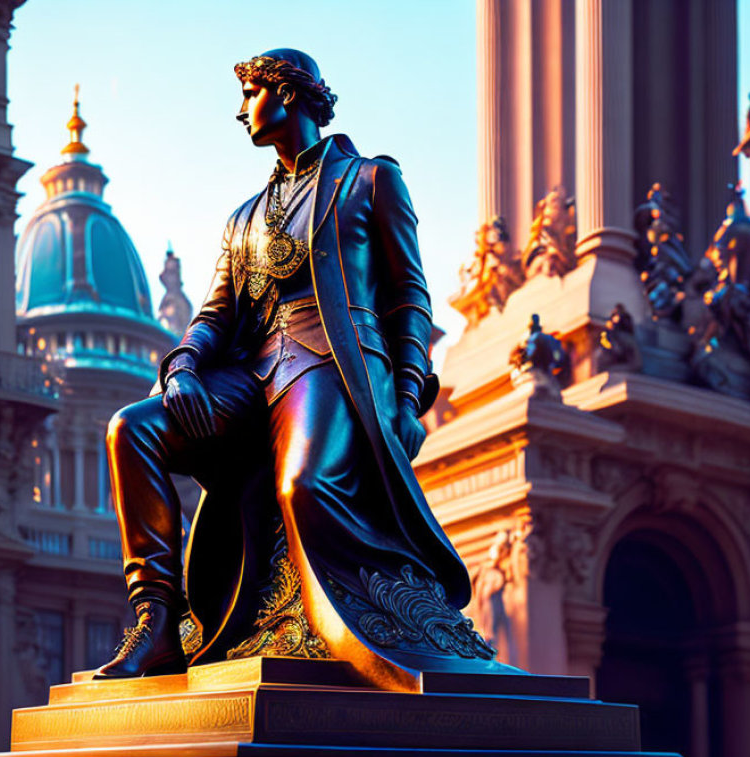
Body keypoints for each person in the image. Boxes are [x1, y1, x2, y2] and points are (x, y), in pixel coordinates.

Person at [94, 49, 499, 689]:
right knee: (130, 428)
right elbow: (212, 315)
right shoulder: (241, 218)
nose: (241, 109)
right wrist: (183, 371)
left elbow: (409, 297)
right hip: (249, 374)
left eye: (252, 91)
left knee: (300, 486)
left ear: (291, 94)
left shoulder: (369, 179)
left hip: (330, 362)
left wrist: (408, 389)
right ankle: (156, 625)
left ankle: (365, 627)